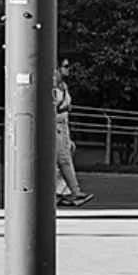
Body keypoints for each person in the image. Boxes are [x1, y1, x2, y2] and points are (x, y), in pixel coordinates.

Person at [54, 61, 89, 204]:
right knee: (61, 160)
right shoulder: (52, 87)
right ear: (57, 69)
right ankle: (72, 192)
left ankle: (65, 192)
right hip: (56, 127)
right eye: (66, 66)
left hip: (63, 127)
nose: (69, 69)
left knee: (62, 161)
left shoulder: (63, 86)